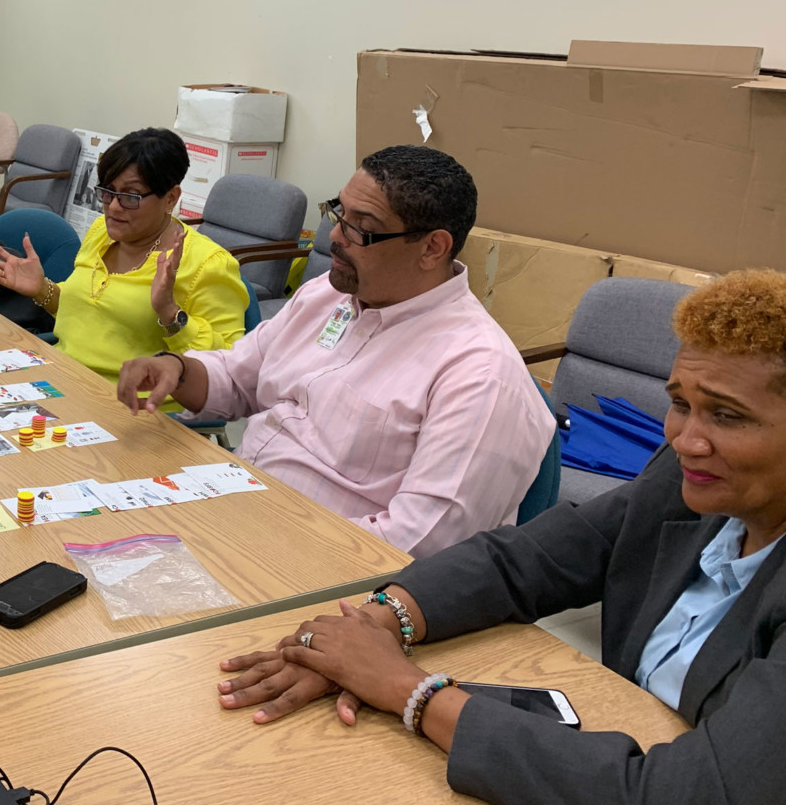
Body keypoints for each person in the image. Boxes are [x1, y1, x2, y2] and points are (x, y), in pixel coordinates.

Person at [218, 269, 786, 805]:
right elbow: (526, 561)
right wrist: (374, 626)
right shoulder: (689, 483)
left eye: (728, 417)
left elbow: (680, 793)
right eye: (681, 404)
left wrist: (406, 689)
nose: (687, 439)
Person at [117, 145, 551, 557]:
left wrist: (269, 538)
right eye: (338, 213)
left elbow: (416, 544)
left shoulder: (478, 373)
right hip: (238, 504)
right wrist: (176, 367)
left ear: (432, 248)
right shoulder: (328, 295)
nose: (336, 238)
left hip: (321, 569)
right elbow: (237, 378)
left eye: (362, 228)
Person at [0, 127, 247, 409]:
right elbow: (86, 315)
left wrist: (169, 312)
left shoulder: (207, 263)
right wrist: (42, 289)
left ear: (170, 198)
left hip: (133, 409)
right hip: (63, 382)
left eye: (131, 196)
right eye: (107, 192)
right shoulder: (101, 233)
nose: (114, 208)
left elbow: (228, 372)